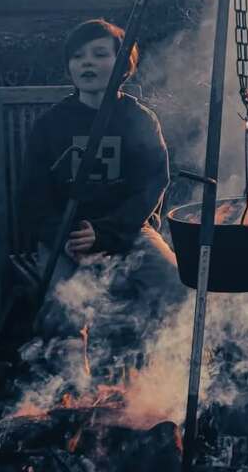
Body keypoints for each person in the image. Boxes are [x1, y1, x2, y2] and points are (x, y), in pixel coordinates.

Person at [20, 19, 185, 338]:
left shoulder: (139, 120)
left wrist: (106, 232)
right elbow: (33, 196)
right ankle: (72, 380)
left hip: (127, 230)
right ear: (69, 66)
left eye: (99, 54)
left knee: (177, 285)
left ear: (123, 65)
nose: (88, 63)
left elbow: (149, 188)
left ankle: (159, 370)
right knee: (62, 306)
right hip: (65, 237)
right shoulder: (51, 125)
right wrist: (66, 237)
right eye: (79, 56)